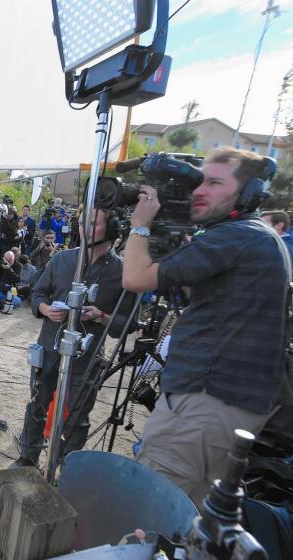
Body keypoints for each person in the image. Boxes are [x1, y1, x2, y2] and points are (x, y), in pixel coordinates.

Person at [122, 147, 289, 507]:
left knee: (149, 511)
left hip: (206, 402)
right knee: (189, 517)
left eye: (214, 182)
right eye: (199, 181)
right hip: (227, 404)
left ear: (250, 193)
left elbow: (135, 277)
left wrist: (141, 223)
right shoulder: (254, 235)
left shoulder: (237, 236)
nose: (199, 190)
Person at [14, 207, 133, 468]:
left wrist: (101, 316)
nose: (84, 228)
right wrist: (45, 309)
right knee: (37, 405)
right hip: (48, 348)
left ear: (112, 228)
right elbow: (37, 294)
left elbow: (128, 323)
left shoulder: (123, 272)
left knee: (77, 417)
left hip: (87, 358)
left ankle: (66, 468)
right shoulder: (62, 260)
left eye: (93, 222)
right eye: (81, 222)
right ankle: (27, 458)